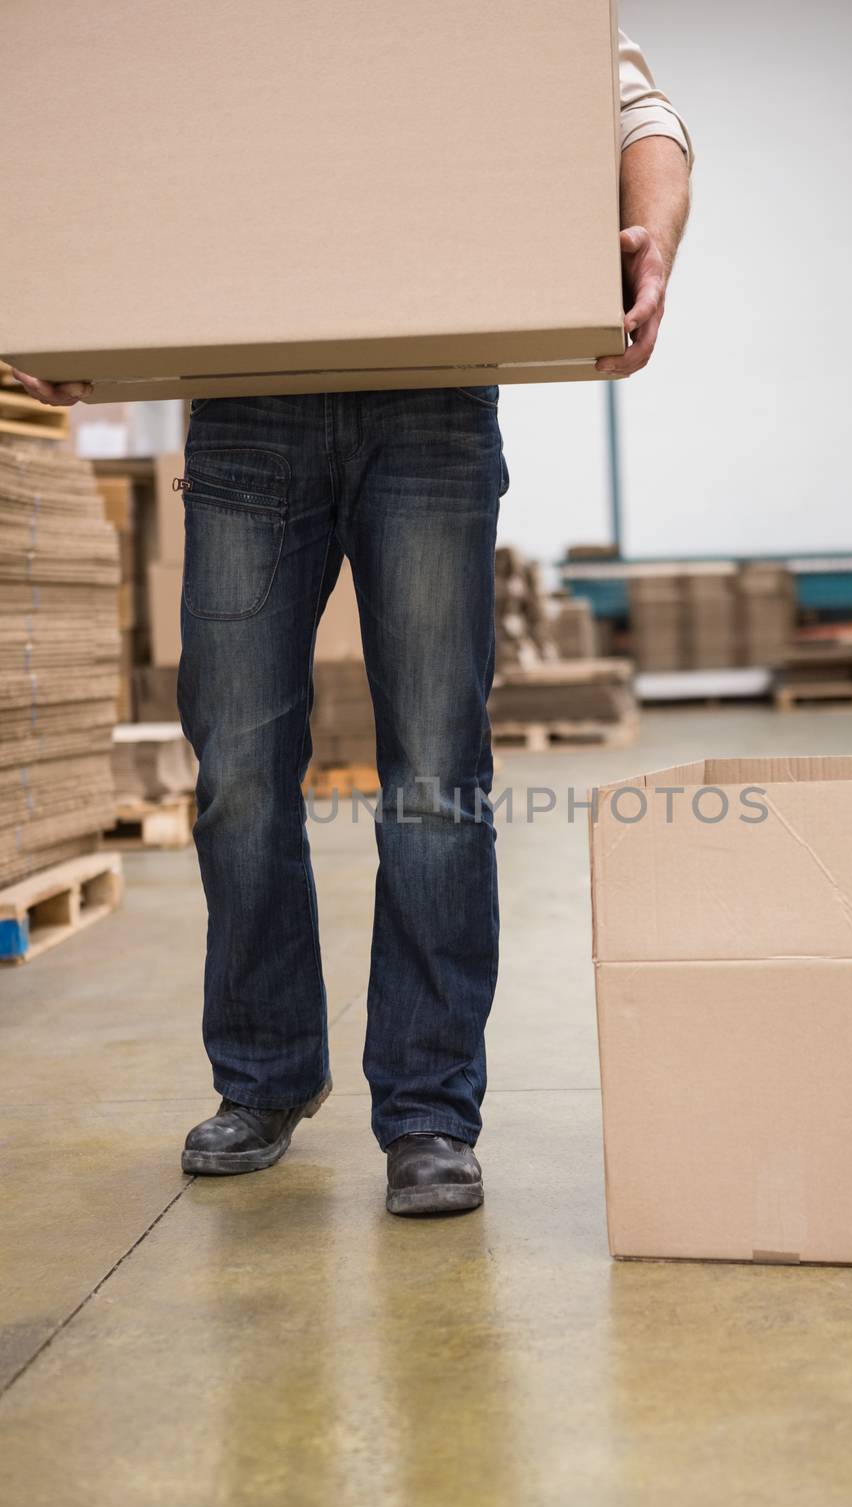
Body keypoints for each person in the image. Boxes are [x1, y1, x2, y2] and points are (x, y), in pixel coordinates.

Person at [12, 30, 692, 1217]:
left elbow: (639, 116)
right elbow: (85, 128)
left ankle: (428, 1110)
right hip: (243, 405)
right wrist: (66, 306)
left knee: (435, 769)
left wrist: (652, 246)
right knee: (237, 770)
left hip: (433, 401)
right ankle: (265, 1078)